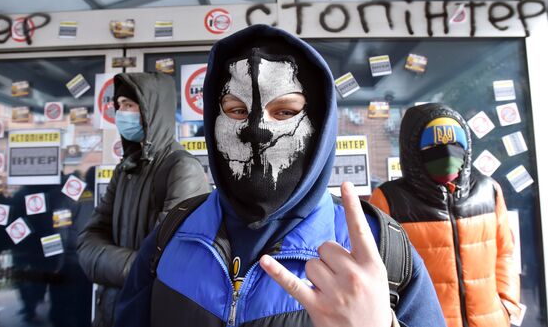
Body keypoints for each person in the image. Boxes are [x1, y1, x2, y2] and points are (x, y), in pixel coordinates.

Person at [114, 24, 445, 327]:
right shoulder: (173, 234)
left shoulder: (381, 250)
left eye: (285, 112)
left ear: (321, 127)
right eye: (236, 111)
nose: (256, 129)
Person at [77, 72, 211, 327]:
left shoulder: (182, 169)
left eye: (128, 105)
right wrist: (136, 267)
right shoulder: (126, 169)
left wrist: (109, 265)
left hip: (152, 315)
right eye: (118, 106)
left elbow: (171, 261)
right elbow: (87, 241)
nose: (121, 113)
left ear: (152, 110)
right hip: (112, 313)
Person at [370, 103, 521, 327]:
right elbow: (377, 270)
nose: (447, 152)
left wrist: (507, 305)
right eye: (433, 144)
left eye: (455, 143)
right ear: (413, 149)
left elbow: (505, 253)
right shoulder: (390, 199)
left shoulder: (488, 191)